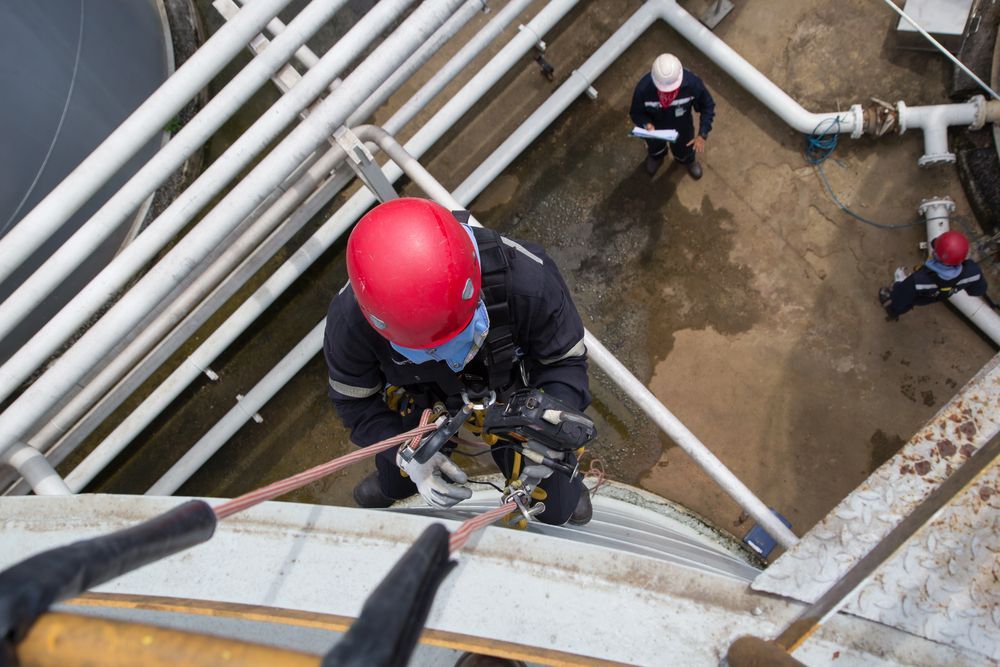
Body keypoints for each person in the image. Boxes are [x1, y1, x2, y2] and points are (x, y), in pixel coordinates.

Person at [323, 197, 593, 526]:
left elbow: (565, 363)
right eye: (427, 349)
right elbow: (354, 404)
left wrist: (553, 427)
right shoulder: (351, 324)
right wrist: (405, 456)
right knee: (397, 474)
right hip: (427, 400)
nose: (450, 357)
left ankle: (571, 489)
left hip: (513, 392)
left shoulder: (526, 280)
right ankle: (392, 485)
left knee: (555, 504)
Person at [629, 53, 716, 178]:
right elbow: (636, 112)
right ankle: (656, 156)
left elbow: (707, 106)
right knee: (654, 145)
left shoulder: (692, 84)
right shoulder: (643, 89)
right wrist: (646, 124)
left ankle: (686, 160)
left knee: (685, 147)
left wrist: (703, 134)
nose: (668, 92)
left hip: (682, 126)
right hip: (654, 127)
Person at [878, 230, 989, 319]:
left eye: (935, 250)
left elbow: (900, 296)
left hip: (919, 293)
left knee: (902, 300)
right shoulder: (973, 271)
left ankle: (892, 312)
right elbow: (978, 290)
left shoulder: (917, 281)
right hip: (937, 295)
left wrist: (899, 283)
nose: (933, 249)